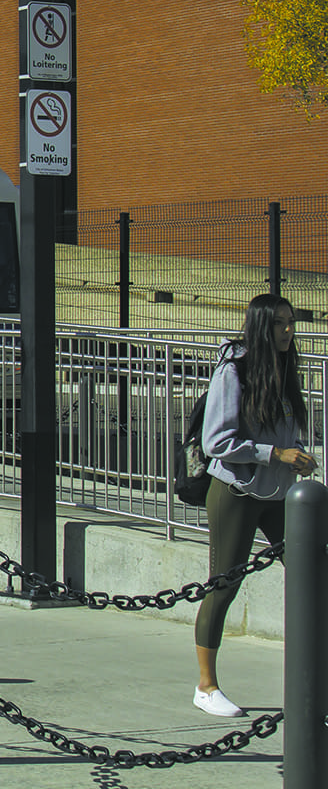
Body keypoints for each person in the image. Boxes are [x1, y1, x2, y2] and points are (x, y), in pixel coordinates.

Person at [192, 293, 314, 718]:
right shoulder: (234, 369)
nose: (288, 330)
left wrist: (297, 455)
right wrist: (275, 454)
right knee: (224, 585)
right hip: (237, 492)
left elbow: (284, 429)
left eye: (291, 321)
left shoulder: (283, 367)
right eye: (280, 323)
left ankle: (314, 678)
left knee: (314, 573)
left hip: (280, 494)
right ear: (261, 326)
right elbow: (216, 442)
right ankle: (206, 686)